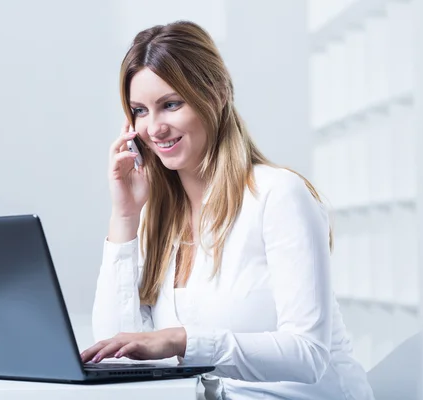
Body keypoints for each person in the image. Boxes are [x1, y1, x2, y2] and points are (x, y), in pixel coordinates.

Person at [80, 21, 374, 400]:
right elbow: (117, 354)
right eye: (140, 111)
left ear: (216, 93)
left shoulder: (278, 195)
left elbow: (309, 356)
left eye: (171, 104)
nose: (155, 128)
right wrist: (124, 217)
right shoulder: (157, 219)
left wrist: (182, 342)